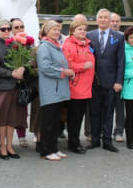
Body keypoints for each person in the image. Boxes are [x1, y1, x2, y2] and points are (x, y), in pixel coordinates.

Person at [0, 20, 27, 160]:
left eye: (8, 29)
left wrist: (23, 68)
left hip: (15, 86)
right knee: (2, 118)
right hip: (1, 86)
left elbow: (25, 60)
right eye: (2, 29)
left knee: (12, 118)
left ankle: (10, 145)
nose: (6, 31)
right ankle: (2, 146)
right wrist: (11, 74)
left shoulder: (16, 44)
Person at [87, 9, 125, 152]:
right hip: (93, 81)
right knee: (94, 112)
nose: (103, 20)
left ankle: (107, 141)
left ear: (110, 20)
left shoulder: (119, 36)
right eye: (100, 17)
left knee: (109, 112)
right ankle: (95, 140)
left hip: (111, 81)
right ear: (97, 20)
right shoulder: (89, 36)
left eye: (105, 18)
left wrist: (118, 81)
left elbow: (121, 60)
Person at [37, 20, 73, 161]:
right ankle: (46, 151)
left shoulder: (56, 46)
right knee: (48, 122)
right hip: (50, 90)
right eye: (54, 29)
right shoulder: (44, 47)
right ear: (46, 31)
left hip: (59, 90)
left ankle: (54, 148)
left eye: (58, 30)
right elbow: (45, 67)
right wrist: (63, 72)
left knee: (56, 122)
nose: (57, 32)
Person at [62, 20, 94, 154]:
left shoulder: (86, 45)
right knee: (74, 118)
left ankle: (75, 141)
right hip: (75, 88)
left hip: (86, 87)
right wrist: (82, 66)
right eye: (79, 29)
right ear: (72, 31)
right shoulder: (68, 45)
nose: (83, 31)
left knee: (79, 117)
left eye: (84, 29)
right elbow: (67, 64)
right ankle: (73, 143)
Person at [11, 17, 29, 148]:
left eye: (21, 27)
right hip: (10, 81)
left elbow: (32, 60)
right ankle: (8, 137)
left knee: (22, 109)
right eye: (16, 27)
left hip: (24, 82)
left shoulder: (29, 43)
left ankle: (22, 135)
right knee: (10, 111)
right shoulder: (8, 43)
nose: (19, 29)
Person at [109, 12, 125, 143]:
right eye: (112, 21)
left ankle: (119, 131)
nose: (114, 23)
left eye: (117, 21)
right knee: (105, 107)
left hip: (120, 77)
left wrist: (119, 80)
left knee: (119, 107)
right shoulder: (101, 36)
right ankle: (105, 131)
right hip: (104, 78)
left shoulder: (124, 37)